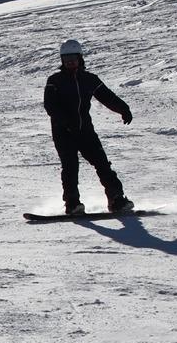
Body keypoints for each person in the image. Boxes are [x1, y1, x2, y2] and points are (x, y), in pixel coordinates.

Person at [43, 39, 135, 215]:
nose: (70, 61)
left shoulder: (89, 79)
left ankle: (117, 200)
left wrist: (123, 109)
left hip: (85, 131)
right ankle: (72, 204)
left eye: (73, 57)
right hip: (64, 132)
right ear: (62, 60)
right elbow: (50, 106)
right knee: (70, 167)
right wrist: (65, 122)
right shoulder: (55, 80)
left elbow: (107, 97)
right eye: (66, 58)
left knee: (102, 164)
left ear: (80, 58)